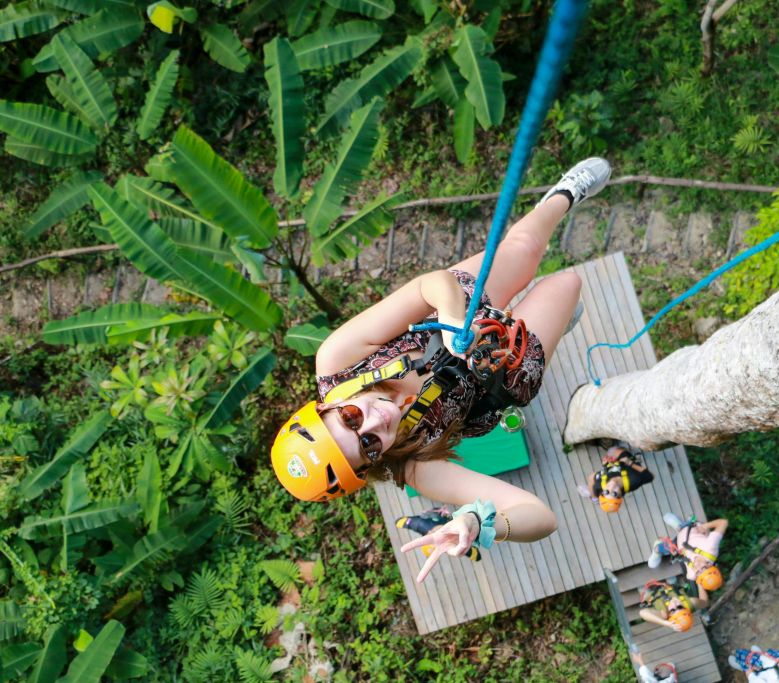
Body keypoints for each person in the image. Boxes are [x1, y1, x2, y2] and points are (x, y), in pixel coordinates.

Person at [270, 158, 612, 582]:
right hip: (498, 374)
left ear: (327, 405)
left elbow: (426, 286)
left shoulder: (338, 360)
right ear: (374, 464)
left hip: (454, 310)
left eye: (351, 417)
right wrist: (479, 524)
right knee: (565, 287)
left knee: (522, 253)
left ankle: (564, 194)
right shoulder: (413, 464)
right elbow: (540, 517)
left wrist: (452, 320)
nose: (379, 421)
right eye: (371, 446)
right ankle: (546, 320)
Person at [648, 515, 727, 591]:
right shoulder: (710, 547)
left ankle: (657, 552)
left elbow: (688, 569)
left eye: (698, 572)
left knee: (657, 549)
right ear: (710, 565)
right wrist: (705, 526)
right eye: (703, 568)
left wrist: (677, 554)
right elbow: (723, 522)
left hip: (678, 546)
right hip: (689, 531)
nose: (697, 567)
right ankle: (679, 525)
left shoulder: (692, 574)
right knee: (670, 518)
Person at [577, 445, 655, 512]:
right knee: (619, 451)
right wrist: (630, 463)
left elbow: (591, 478)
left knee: (591, 480)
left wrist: (606, 465)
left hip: (615, 469)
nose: (611, 488)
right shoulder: (634, 480)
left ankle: (594, 498)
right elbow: (650, 476)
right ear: (621, 495)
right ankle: (636, 460)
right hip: (628, 467)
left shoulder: (601, 485)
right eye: (614, 493)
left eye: (607, 492)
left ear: (603, 492)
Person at [637, 579, 709, 633]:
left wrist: (664, 623)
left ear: (670, 616)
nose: (674, 604)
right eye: (680, 607)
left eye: (673, 610)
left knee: (640, 585)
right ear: (687, 609)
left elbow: (642, 613)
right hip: (670, 585)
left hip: (651, 594)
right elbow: (705, 602)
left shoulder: (664, 615)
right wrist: (699, 581)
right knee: (671, 578)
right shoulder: (690, 603)